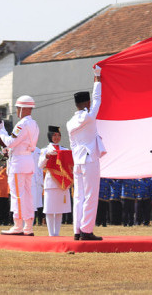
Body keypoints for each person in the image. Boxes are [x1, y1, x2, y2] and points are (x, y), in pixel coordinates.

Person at [67, 65, 106, 241]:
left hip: (78, 161)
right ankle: (87, 231)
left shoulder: (70, 123)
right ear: (87, 103)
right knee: (90, 196)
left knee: (79, 196)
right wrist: (97, 77)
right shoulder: (89, 117)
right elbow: (98, 99)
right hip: (89, 159)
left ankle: (77, 230)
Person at [0, 94, 40, 236]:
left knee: (17, 195)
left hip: (19, 163)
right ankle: (28, 226)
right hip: (28, 161)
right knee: (28, 195)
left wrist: (1, 130)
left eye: (17, 108)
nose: (16, 110)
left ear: (22, 108)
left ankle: (18, 225)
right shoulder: (34, 124)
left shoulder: (22, 124)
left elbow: (10, 142)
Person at [38, 126, 72, 236]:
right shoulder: (45, 150)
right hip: (51, 182)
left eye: (58, 135)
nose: (56, 137)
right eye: (54, 135)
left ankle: (56, 233)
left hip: (63, 183)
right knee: (49, 209)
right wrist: (47, 157)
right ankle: (50, 233)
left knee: (59, 209)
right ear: (50, 136)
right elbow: (40, 165)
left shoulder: (65, 150)